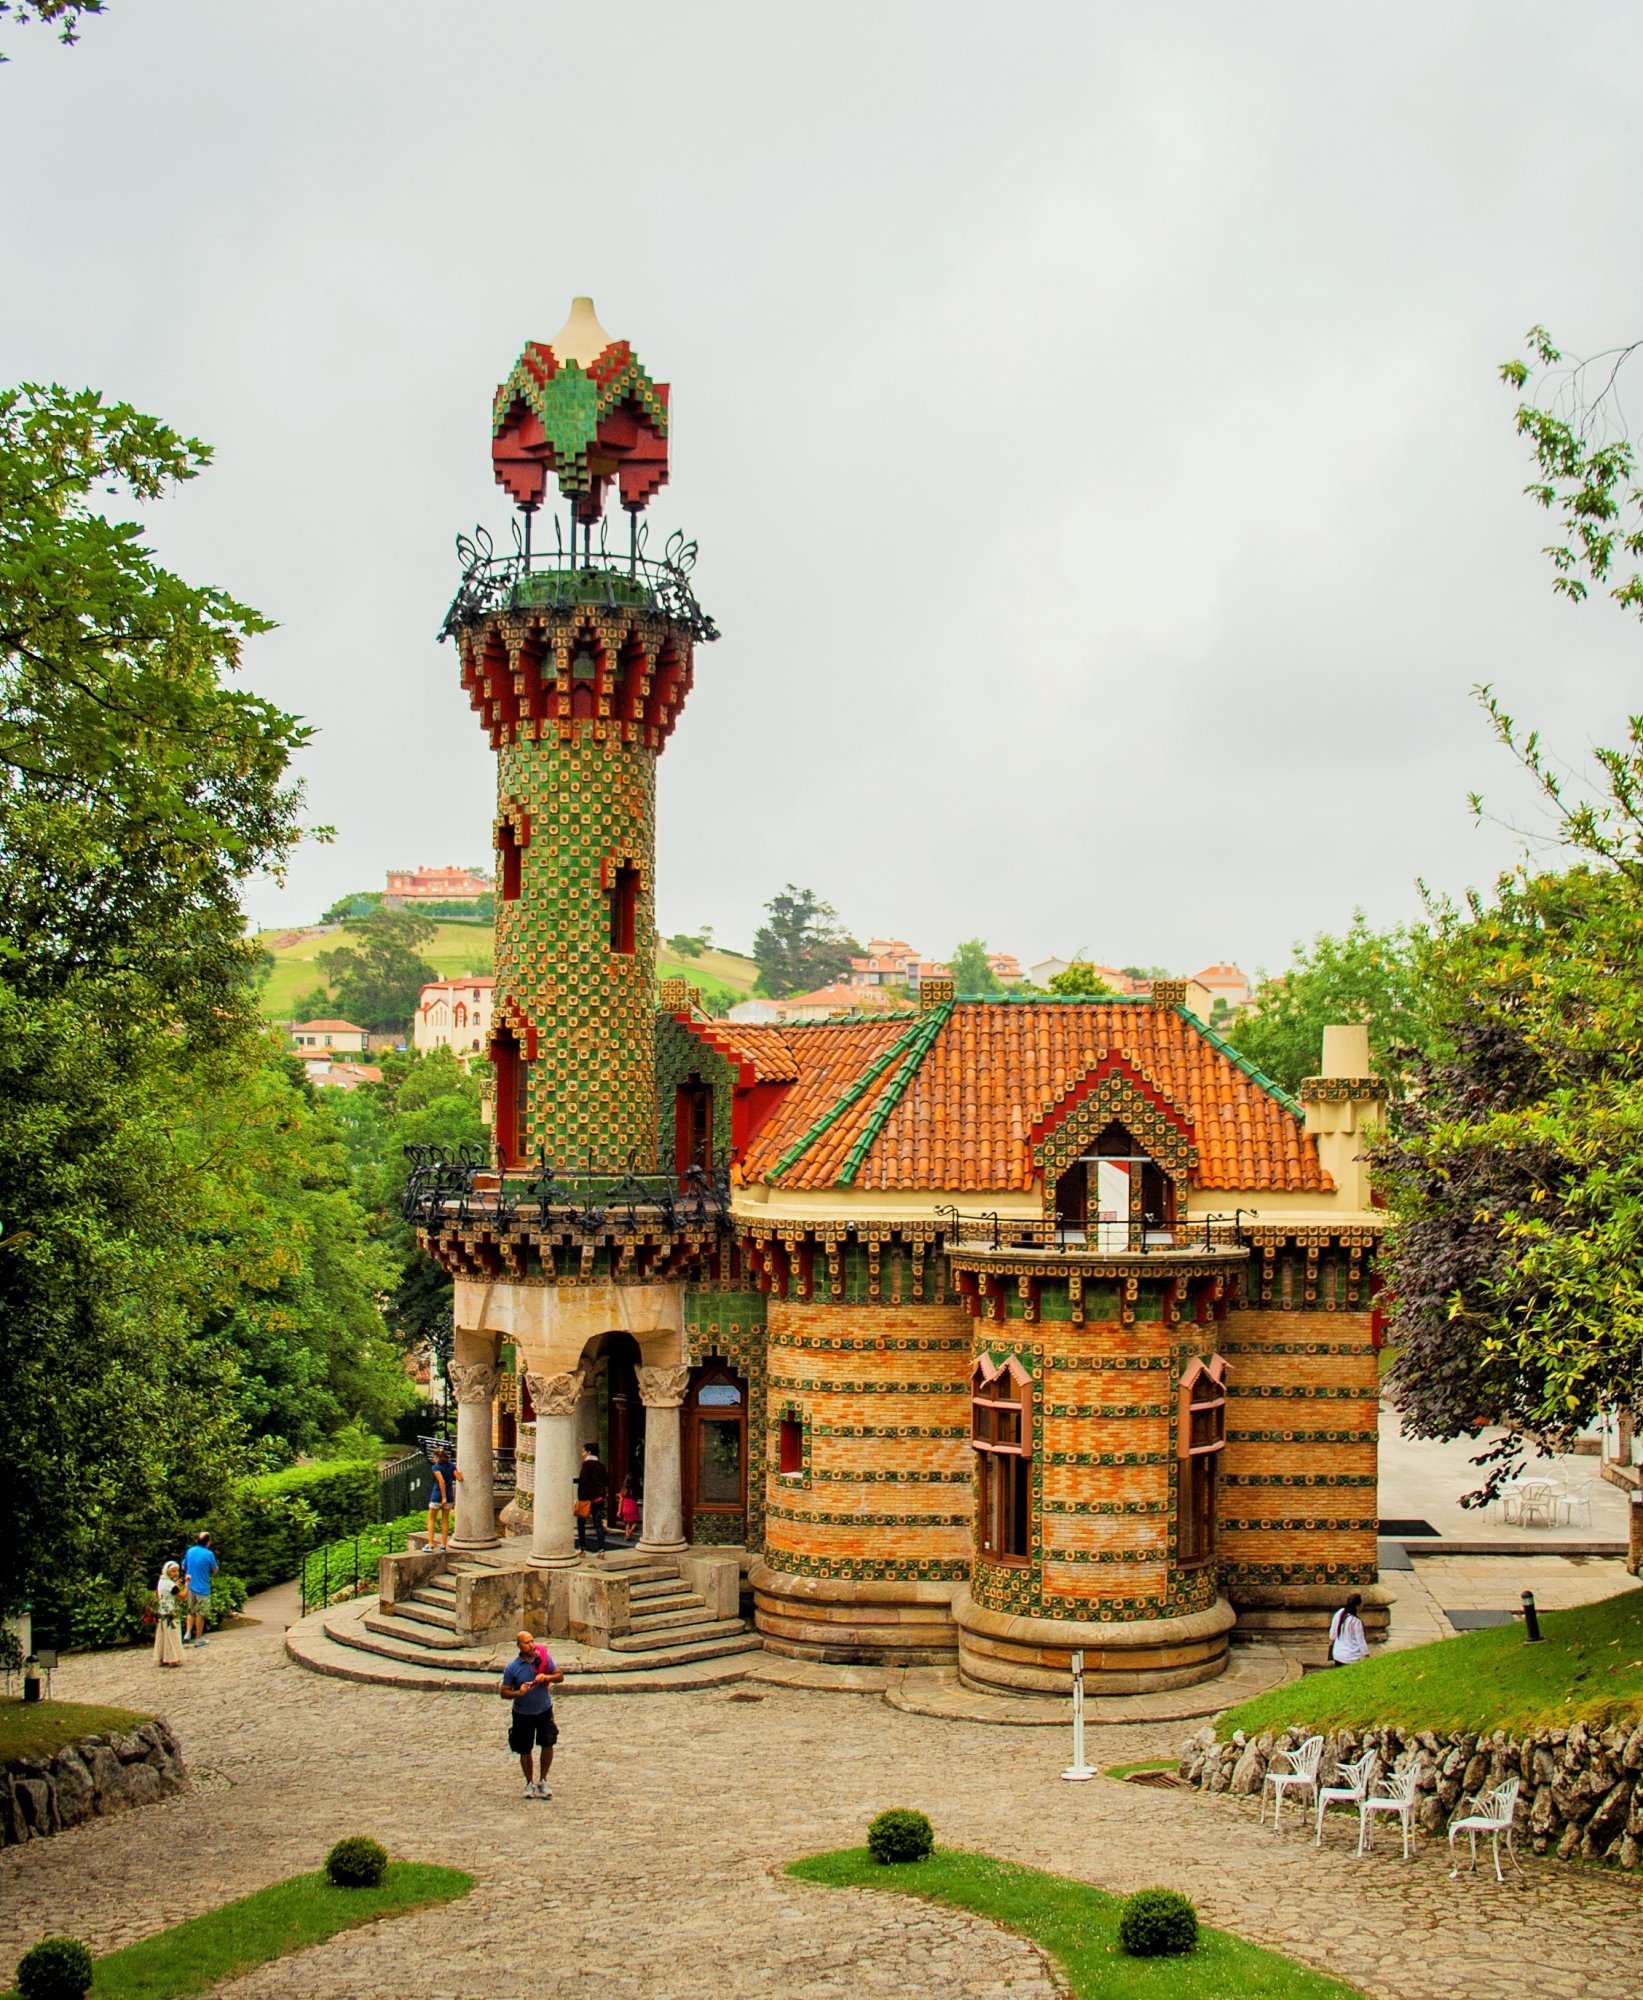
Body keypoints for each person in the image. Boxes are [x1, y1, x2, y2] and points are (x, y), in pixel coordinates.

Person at [499, 1628, 563, 1798]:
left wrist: (546, 1677)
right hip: (522, 1713)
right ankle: (529, 1782)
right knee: (524, 1748)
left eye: (532, 1641)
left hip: (544, 1709)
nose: (531, 1645)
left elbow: (559, 1676)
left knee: (547, 1743)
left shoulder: (543, 1658)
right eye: (526, 1642)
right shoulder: (512, 1668)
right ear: (519, 1645)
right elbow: (504, 1692)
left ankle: (544, 1779)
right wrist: (518, 1692)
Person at [181, 1531, 218, 1647]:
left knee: (191, 1612)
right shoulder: (209, 1554)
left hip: (190, 1586)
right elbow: (215, 1570)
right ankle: (198, 1638)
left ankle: (187, 1634)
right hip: (203, 1588)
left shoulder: (190, 1551)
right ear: (208, 1542)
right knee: (201, 1614)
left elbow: (183, 1566)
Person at [575, 1442, 609, 1556]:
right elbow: (606, 1481)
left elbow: (583, 1481)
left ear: (588, 1452)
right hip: (599, 1499)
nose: (582, 1454)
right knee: (598, 1524)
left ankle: (582, 1548)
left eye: (583, 1451)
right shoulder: (601, 1465)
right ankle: (601, 1550)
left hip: (586, 1499)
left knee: (581, 1524)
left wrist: (580, 1497)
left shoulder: (586, 1465)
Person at [427, 1444, 461, 1551]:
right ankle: (443, 1545)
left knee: (431, 1519)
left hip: (438, 1495)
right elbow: (459, 1478)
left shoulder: (436, 1467)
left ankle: (431, 1543)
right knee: (445, 1520)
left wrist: (443, 1497)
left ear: (437, 1458)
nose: (434, 1459)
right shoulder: (451, 1466)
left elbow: (441, 1481)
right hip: (450, 1495)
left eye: (434, 1457)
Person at [153, 1561, 184, 1668]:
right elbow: (183, 1596)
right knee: (172, 1635)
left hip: (163, 1610)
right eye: (173, 1571)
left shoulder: (162, 1580)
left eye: (177, 1571)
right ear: (168, 1571)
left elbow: (158, 1593)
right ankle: (172, 1658)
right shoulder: (169, 1584)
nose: (175, 1573)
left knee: (163, 1635)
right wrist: (188, 1584)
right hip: (170, 1612)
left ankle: (162, 1657)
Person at [1328, 1592, 1370, 1666]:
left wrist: (1331, 1644)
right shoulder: (1356, 1621)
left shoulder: (1339, 1613)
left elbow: (1333, 1633)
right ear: (1357, 1606)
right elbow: (1361, 1641)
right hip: (1351, 1657)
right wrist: (1367, 1655)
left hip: (1337, 1654)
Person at [617, 1475, 640, 1544]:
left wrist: (619, 1511)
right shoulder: (635, 1489)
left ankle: (627, 1535)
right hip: (632, 1505)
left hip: (625, 1506)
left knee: (627, 1522)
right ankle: (629, 1532)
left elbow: (621, 1500)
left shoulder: (624, 1489)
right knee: (636, 1521)